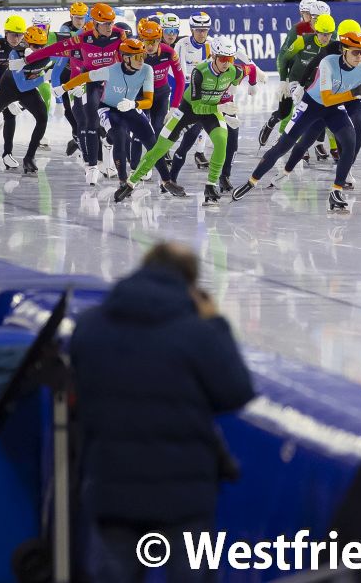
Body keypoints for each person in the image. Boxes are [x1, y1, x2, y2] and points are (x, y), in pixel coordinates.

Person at [70, 242, 255, 583]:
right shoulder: (198, 334)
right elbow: (236, 392)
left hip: (111, 487)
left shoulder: (90, 327)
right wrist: (215, 323)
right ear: (190, 283)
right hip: (184, 496)